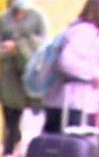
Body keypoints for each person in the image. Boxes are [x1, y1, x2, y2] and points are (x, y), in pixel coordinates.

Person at [0, 0, 47, 157]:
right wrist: (6, 48)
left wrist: (21, 45)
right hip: (8, 73)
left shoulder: (37, 17)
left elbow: (43, 44)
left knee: (21, 114)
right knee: (9, 116)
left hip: (27, 72)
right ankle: (12, 149)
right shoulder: (4, 18)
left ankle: (11, 152)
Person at [42, 0, 99, 134]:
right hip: (72, 104)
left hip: (77, 104)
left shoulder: (88, 31)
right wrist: (93, 75)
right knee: (67, 149)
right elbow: (67, 62)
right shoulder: (84, 31)